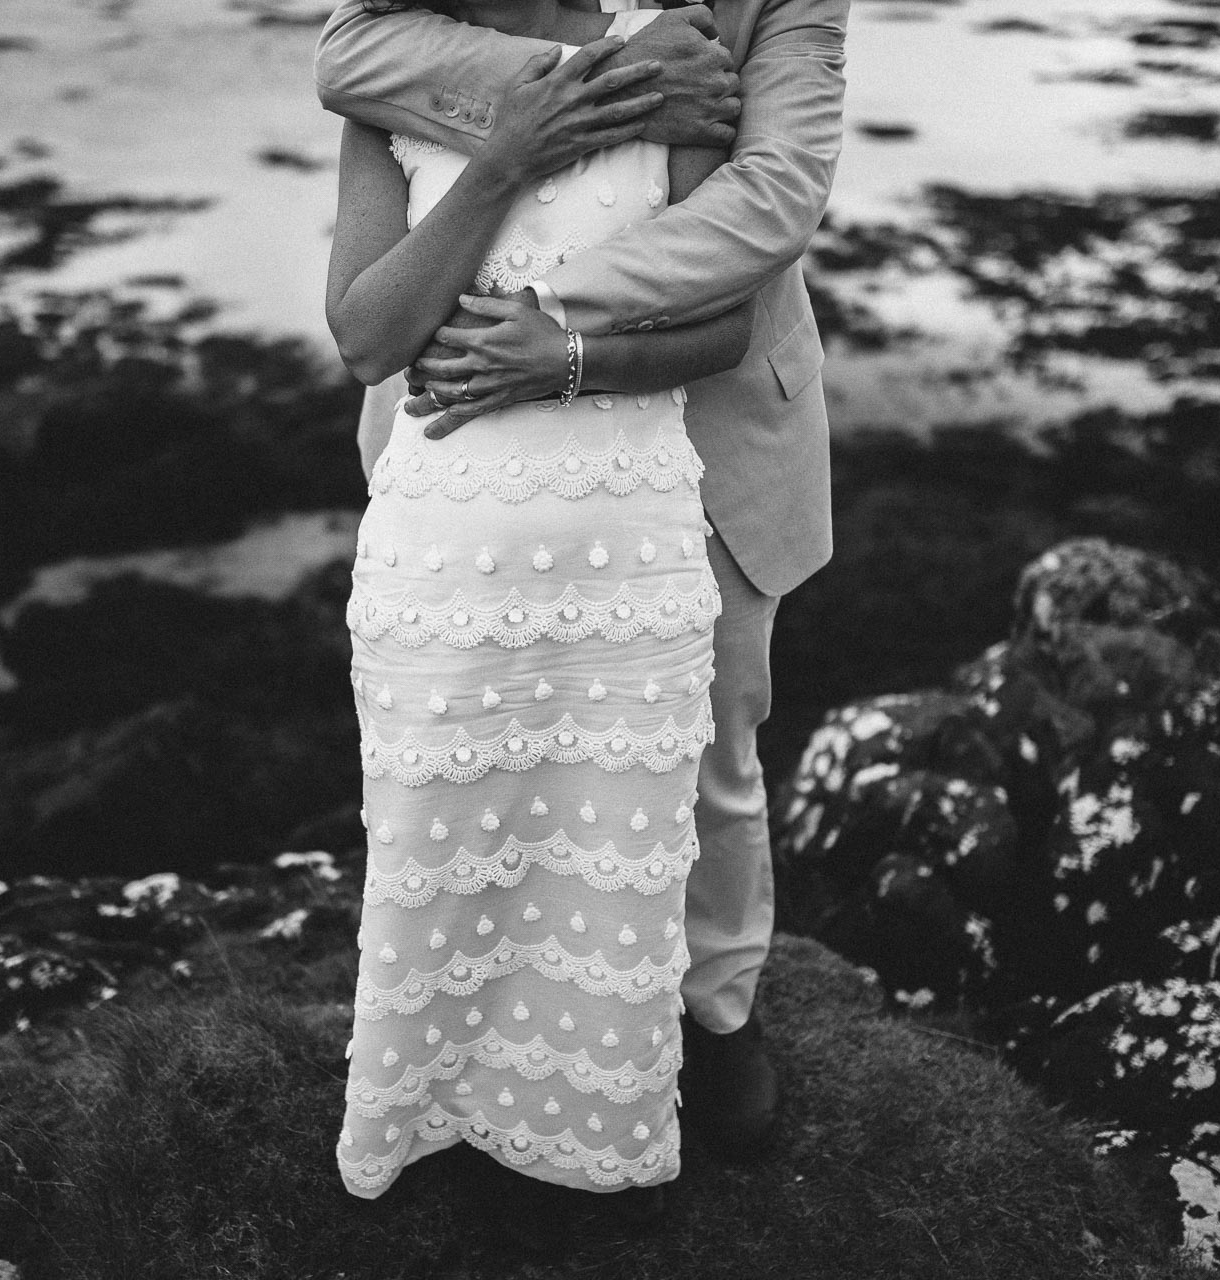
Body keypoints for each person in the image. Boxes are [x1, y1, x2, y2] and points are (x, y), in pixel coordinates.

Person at [316, 0, 847, 1174]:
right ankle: (476, 1037)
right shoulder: (435, 43)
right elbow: (349, 54)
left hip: (693, 437)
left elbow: (775, 198)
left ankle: (715, 1012)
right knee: (473, 755)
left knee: (712, 741)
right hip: (457, 446)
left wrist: (554, 332)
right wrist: (577, 96)